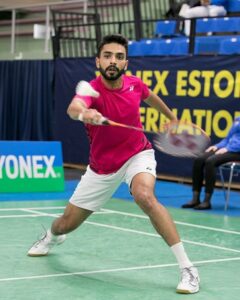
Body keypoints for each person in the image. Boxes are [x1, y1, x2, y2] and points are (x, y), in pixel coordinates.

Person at [28, 34, 200, 294]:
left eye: (119, 57)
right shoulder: (90, 91)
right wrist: (87, 113)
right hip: (102, 168)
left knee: (144, 195)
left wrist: (172, 118)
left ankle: (188, 268)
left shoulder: (134, 84)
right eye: (107, 55)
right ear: (98, 60)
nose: (113, 61)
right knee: (66, 223)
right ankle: (51, 237)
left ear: (125, 63)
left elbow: (151, 97)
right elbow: (73, 109)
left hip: (137, 155)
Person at [182, 117, 240, 210]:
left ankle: (207, 201)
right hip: (228, 148)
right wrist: (217, 146)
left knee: (210, 161)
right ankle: (195, 198)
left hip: (237, 152)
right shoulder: (238, 119)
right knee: (199, 160)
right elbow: (228, 138)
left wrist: (228, 149)